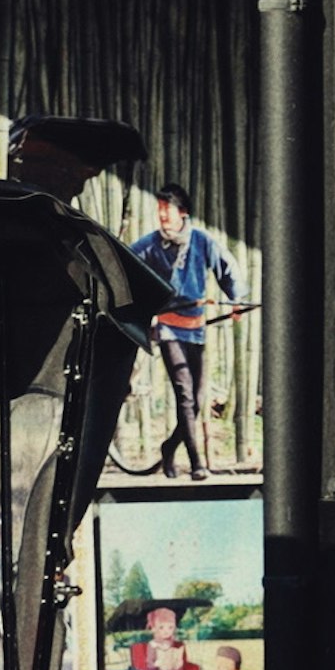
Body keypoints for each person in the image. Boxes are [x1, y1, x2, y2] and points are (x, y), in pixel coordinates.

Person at [126, 184, 240, 479]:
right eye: (160, 210)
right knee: (185, 395)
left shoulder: (202, 241)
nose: (162, 216)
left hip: (196, 327)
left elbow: (227, 268)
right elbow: (125, 267)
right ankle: (196, 463)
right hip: (167, 327)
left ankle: (169, 447)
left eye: (168, 210)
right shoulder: (149, 245)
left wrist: (236, 299)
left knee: (198, 400)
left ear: (183, 213)